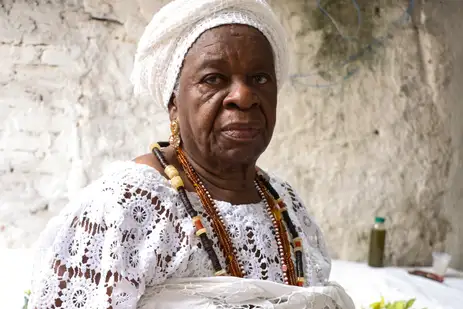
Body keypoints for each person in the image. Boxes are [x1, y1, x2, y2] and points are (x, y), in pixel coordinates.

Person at [28, 0, 355, 308]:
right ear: (174, 103)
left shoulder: (286, 204)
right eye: (214, 79)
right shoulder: (127, 206)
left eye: (260, 78)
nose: (243, 96)